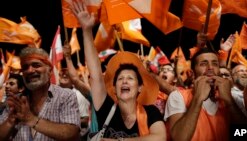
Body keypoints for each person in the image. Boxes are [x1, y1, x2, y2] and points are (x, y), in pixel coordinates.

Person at [69, 0, 166, 140]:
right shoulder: (106, 108)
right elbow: (96, 75)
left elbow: (160, 138)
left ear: (140, 87)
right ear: (114, 88)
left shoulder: (151, 112)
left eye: (130, 78)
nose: (124, 81)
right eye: (120, 79)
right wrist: (87, 30)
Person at [164, 47, 247, 141]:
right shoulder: (178, 96)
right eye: (203, 64)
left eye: (215, 64)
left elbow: (243, 134)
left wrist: (229, 101)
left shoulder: (230, 96)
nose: (210, 68)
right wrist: (197, 99)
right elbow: (180, 138)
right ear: (192, 73)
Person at [0, 47, 80, 141]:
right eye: (25, 67)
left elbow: (72, 134)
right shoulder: (15, 101)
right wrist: (10, 121)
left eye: (36, 65)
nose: (30, 71)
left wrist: (31, 119)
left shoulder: (65, 96)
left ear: (50, 71)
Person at [59, 68, 91, 139]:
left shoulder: (78, 95)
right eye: (62, 73)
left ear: (72, 80)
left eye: (67, 74)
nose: (64, 75)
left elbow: (85, 120)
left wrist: (64, 122)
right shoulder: (54, 95)